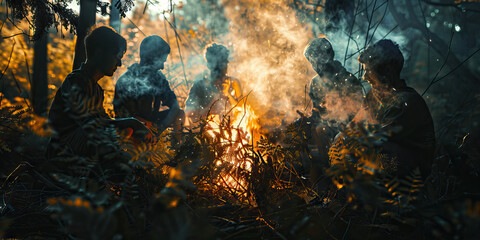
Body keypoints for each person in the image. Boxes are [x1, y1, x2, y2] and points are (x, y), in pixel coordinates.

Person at [47, 26, 154, 159]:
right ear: (99, 53)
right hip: (62, 152)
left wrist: (132, 124)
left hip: (79, 149)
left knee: (126, 130)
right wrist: (130, 121)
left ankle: (132, 162)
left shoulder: (96, 89)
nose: (119, 64)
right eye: (117, 56)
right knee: (116, 130)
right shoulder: (76, 81)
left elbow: (103, 121)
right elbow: (90, 124)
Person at [355, 39, 435, 178]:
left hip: (411, 176)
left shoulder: (407, 102)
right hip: (387, 167)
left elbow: (377, 138)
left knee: (378, 149)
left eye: (368, 70)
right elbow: (355, 126)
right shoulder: (373, 97)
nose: (364, 77)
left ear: (385, 72)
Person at [113, 35, 183, 135]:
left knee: (180, 114)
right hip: (130, 128)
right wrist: (143, 125)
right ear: (152, 59)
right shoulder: (127, 80)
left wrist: (159, 128)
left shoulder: (159, 78)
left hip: (152, 125)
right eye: (161, 62)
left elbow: (175, 105)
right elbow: (122, 115)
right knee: (129, 129)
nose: (162, 67)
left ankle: (177, 148)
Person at [185, 43, 242, 123]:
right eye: (219, 64)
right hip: (208, 130)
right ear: (209, 65)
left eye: (225, 63)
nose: (223, 67)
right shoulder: (199, 86)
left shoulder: (233, 82)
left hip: (234, 128)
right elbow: (191, 116)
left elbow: (242, 108)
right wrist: (213, 102)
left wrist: (227, 94)